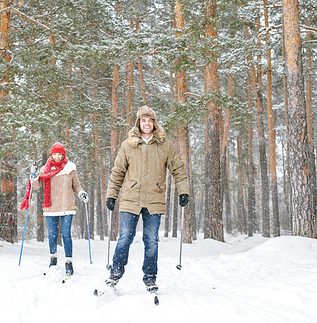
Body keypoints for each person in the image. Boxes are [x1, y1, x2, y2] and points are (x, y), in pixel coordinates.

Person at [105, 105, 190, 293]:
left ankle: (150, 277)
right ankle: (115, 273)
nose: (147, 123)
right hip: (130, 199)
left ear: (154, 123)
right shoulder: (128, 144)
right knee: (125, 237)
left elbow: (178, 170)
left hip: (154, 199)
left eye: (150, 120)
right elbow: (118, 171)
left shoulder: (165, 145)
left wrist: (183, 191)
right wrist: (112, 194)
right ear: (138, 123)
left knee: (151, 239)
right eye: (143, 120)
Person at [20, 142, 88, 276]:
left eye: (59, 154)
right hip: (50, 207)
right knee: (52, 235)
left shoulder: (70, 168)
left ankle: (69, 262)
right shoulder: (45, 169)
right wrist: (33, 175)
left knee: (66, 235)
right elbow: (35, 186)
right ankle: (53, 260)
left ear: (63, 154)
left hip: (67, 206)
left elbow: (77, 186)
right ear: (51, 155)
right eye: (54, 154)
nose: (57, 157)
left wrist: (81, 193)